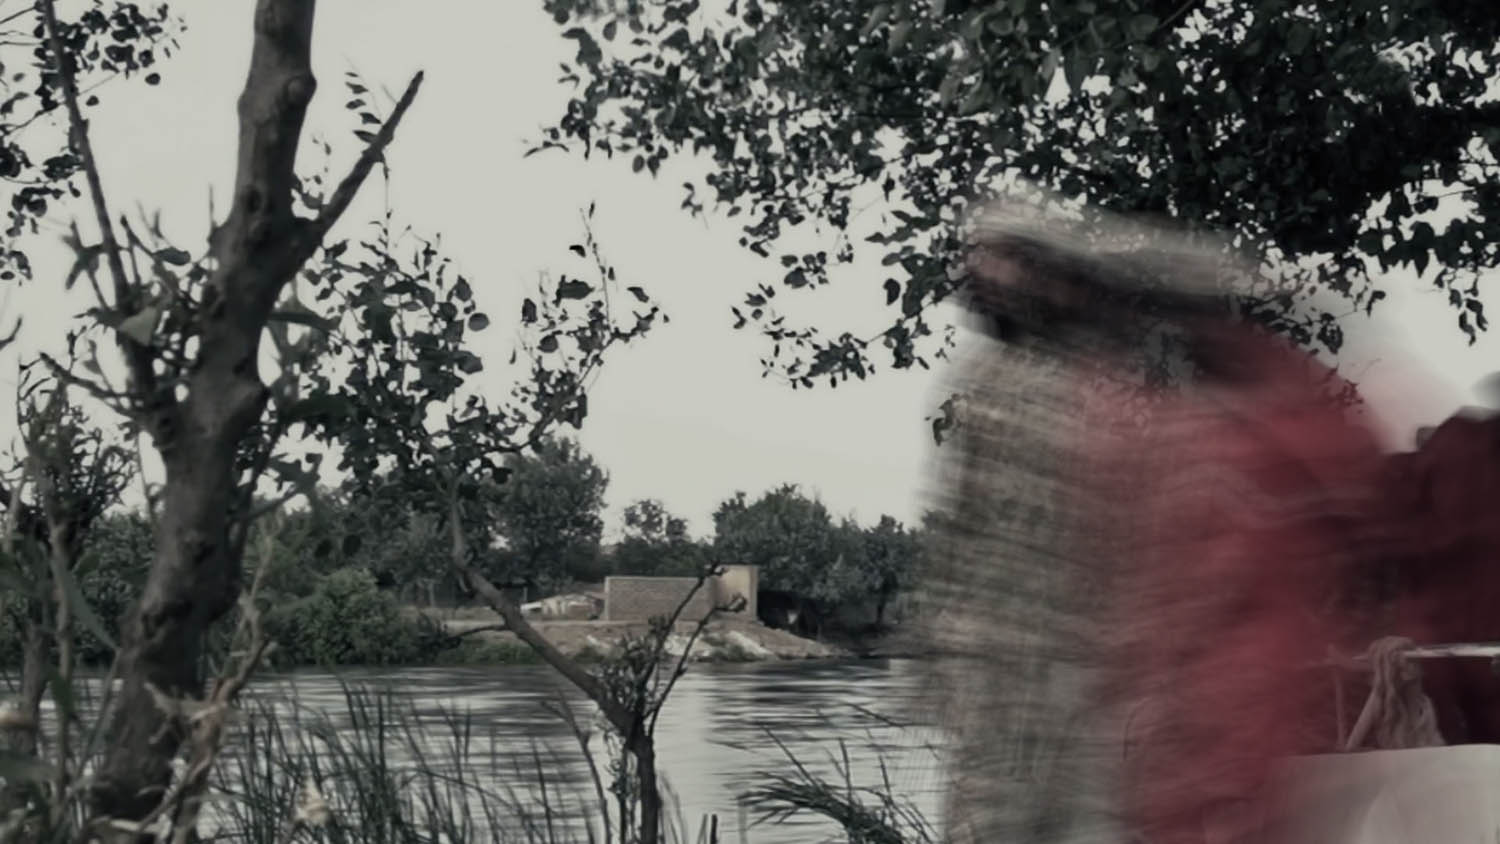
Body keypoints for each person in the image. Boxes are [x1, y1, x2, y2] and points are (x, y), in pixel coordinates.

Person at [914, 188, 1391, 844]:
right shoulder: (982, 387)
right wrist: (943, 661)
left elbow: (1139, 533)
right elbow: (954, 529)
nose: (995, 273)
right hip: (998, 679)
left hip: (1088, 679)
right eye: (985, 258)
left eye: (1014, 258)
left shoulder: (1104, 386)